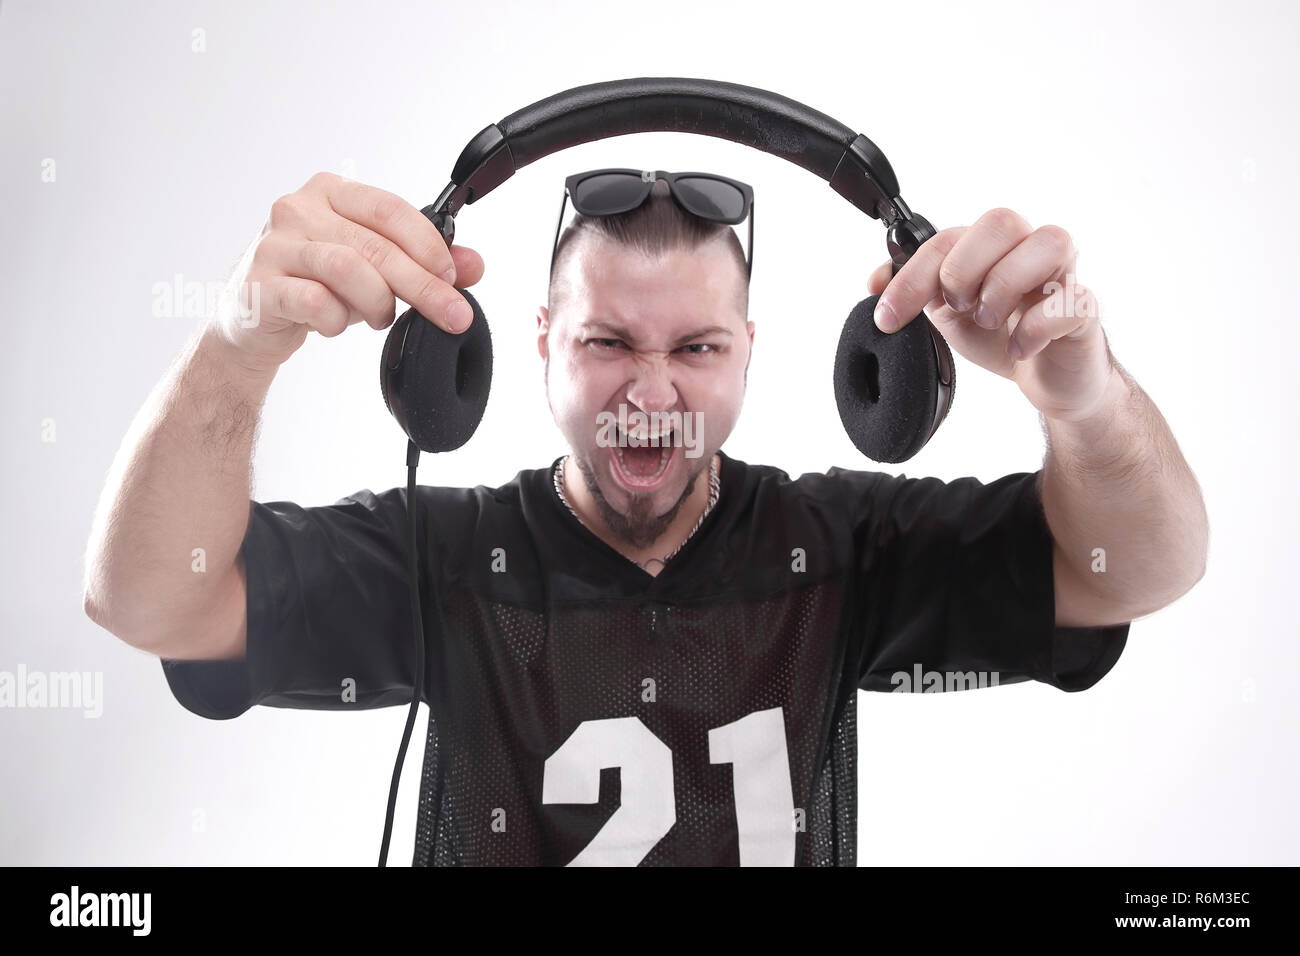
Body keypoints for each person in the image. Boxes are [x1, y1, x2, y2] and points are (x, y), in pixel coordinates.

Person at [83, 170, 1208, 866]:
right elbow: (149, 597)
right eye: (609, 342)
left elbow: (1136, 569)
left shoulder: (840, 551)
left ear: (750, 352)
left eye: (697, 347)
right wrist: (234, 350)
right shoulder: (444, 559)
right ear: (533, 346)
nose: (652, 392)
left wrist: (1085, 396)